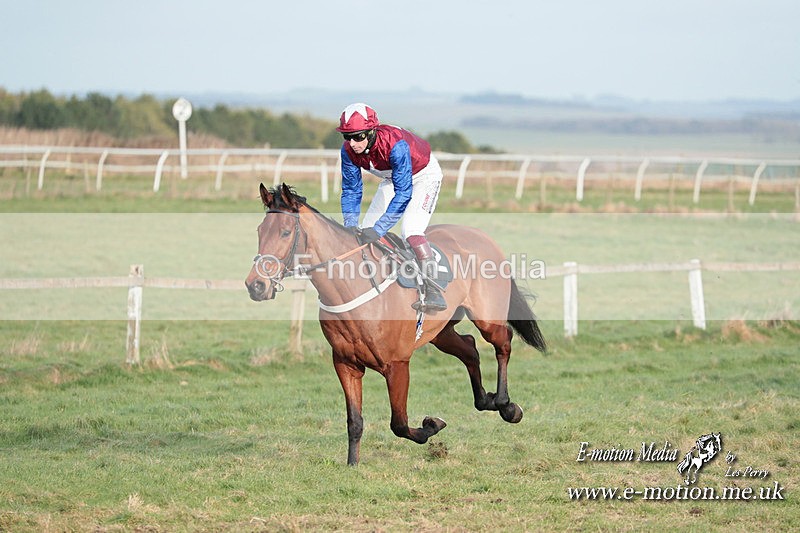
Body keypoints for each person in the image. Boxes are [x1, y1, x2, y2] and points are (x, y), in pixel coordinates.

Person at [337, 102, 447, 312]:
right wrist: (350, 224)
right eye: (347, 136)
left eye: (358, 136)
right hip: (392, 178)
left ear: (371, 132)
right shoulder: (348, 151)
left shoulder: (395, 145)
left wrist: (380, 229)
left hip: (424, 176)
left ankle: (434, 290)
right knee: (362, 232)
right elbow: (351, 189)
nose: (352, 143)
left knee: (411, 231)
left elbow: (404, 193)